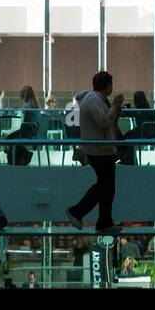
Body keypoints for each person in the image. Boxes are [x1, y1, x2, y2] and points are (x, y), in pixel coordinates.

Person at [65, 71, 123, 234]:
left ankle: (104, 221)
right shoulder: (93, 101)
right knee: (105, 185)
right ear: (108, 85)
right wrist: (115, 106)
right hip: (99, 151)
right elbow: (104, 121)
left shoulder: (95, 99)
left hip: (102, 149)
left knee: (107, 186)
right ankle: (77, 211)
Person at [5, 85, 41, 165]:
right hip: (33, 131)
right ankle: (15, 158)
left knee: (8, 138)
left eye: (21, 93)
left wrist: (17, 110)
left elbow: (25, 119)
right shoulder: (35, 104)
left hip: (27, 132)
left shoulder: (28, 105)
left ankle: (11, 159)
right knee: (13, 138)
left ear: (24, 94)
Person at [121, 90, 155, 165]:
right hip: (148, 131)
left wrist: (124, 110)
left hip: (146, 132)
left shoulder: (142, 110)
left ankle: (129, 160)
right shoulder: (145, 108)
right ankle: (129, 159)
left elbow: (133, 114)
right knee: (128, 136)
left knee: (127, 138)